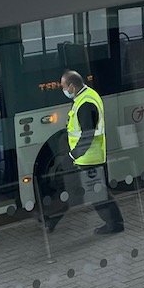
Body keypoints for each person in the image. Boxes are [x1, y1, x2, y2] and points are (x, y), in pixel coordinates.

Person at [46, 69, 124, 235]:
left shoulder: (85, 104)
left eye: (64, 87)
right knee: (83, 189)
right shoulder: (86, 96)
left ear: (72, 86)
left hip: (89, 157)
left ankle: (114, 224)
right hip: (87, 156)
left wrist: (73, 154)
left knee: (97, 193)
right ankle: (50, 218)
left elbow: (87, 134)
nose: (63, 90)